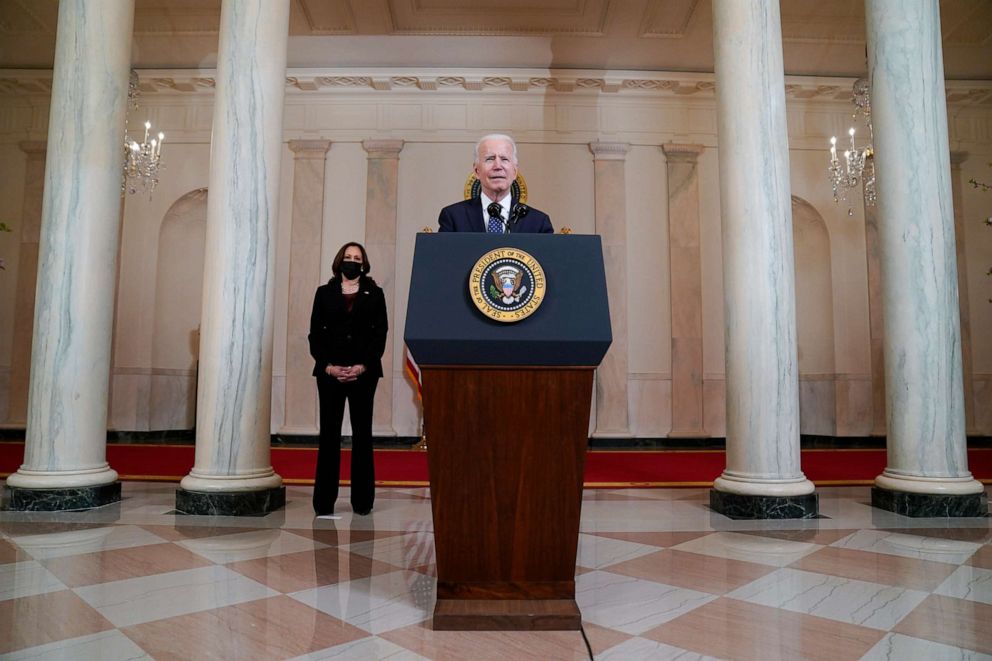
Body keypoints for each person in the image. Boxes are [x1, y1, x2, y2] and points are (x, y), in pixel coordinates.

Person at [308, 242, 388, 516]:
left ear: (364, 264)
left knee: (362, 435)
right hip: (329, 374)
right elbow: (315, 335)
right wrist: (328, 366)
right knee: (329, 436)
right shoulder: (323, 293)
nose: (352, 261)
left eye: (357, 258)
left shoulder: (375, 294)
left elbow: (381, 335)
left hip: (364, 375)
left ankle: (362, 502)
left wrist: (362, 366)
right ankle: (323, 502)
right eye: (347, 257)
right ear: (339, 261)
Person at [437, 134, 554, 233]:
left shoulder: (538, 223)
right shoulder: (453, 217)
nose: (498, 166)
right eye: (490, 159)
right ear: (477, 171)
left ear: (514, 171)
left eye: (504, 159)